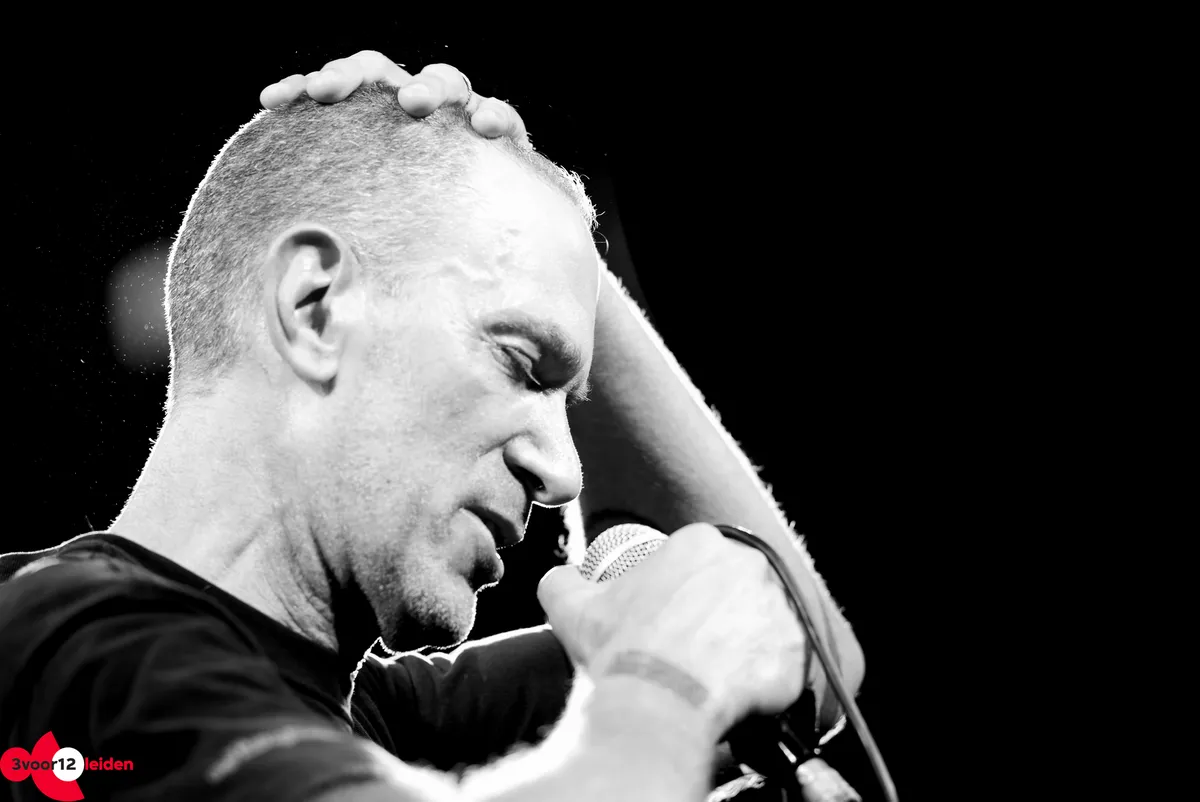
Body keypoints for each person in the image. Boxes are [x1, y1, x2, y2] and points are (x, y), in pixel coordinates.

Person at [0, 51, 865, 802]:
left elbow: (800, 660)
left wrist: (548, 236)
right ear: (315, 306)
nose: (564, 474)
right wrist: (662, 688)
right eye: (521, 363)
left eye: (565, 397)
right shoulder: (61, 652)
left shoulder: (377, 716)